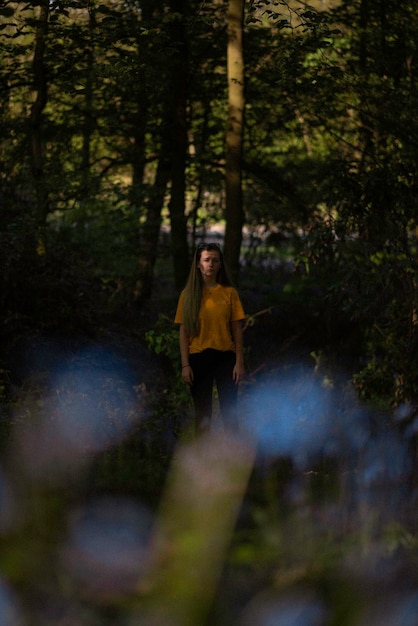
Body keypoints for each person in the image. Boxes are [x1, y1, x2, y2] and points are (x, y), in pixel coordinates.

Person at [174, 243, 246, 434]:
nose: (211, 264)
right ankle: (203, 458)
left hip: (226, 358)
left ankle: (233, 456)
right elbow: (183, 332)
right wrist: (185, 365)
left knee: (230, 412)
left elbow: (237, 330)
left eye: (215, 260)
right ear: (198, 264)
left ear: (221, 264)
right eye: (206, 260)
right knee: (203, 414)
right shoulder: (188, 295)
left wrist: (239, 362)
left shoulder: (229, 293)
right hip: (198, 357)